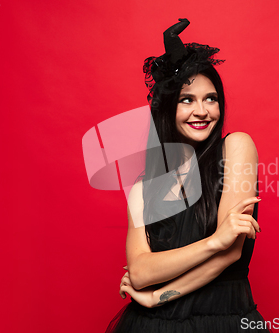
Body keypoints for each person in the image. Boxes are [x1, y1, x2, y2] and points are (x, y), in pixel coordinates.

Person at [105, 19, 270, 332]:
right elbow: (140, 273)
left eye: (211, 98)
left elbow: (231, 253)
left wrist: (159, 297)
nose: (202, 111)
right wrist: (213, 242)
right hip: (154, 326)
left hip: (224, 319)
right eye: (187, 100)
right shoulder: (144, 188)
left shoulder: (236, 147)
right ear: (167, 108)